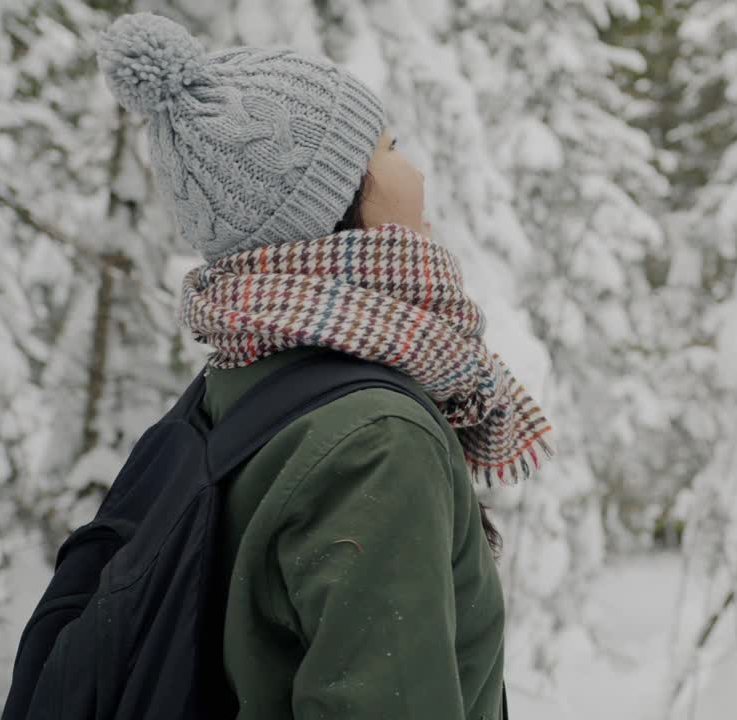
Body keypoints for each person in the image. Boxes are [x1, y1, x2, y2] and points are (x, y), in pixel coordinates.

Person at [96, 13, 554, 720]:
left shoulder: (240, 385)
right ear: (336, 198)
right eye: (390, 147)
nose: (417, 170)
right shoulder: (374, 440)